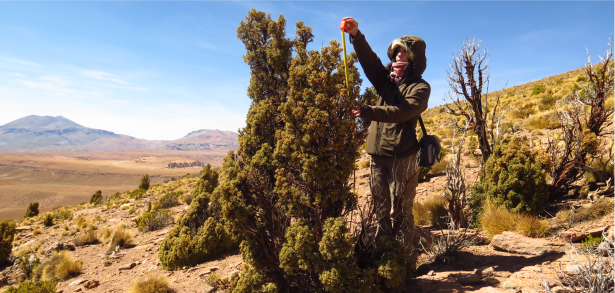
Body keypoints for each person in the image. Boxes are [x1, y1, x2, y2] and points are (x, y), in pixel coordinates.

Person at [341, 17, 430, 251]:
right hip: (377, 157)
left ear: (414, 57)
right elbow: (370, 62)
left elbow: (403, 112)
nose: (398, 56)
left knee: (400, 210)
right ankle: (384, 257)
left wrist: (367, 111)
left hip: (403, 157)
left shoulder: (420, 87)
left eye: (404, 52)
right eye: (396, 52)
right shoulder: (386, 81)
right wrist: (357, 36)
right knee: (381, 209)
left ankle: (405, 258)